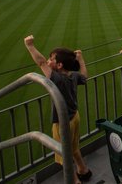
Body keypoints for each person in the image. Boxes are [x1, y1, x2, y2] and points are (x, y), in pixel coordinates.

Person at [23, 35, 92, 184]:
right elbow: (85, 77)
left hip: (63, 123)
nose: (48, 61)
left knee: (63, 154)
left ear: (59, 65)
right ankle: (83, 170)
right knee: (73, 148)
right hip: (75, 117)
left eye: (51, 59)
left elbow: (41, 62)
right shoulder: (73, 75)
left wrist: (30, 46)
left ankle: (74, 180)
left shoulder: (57, 79)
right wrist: (80, 59)